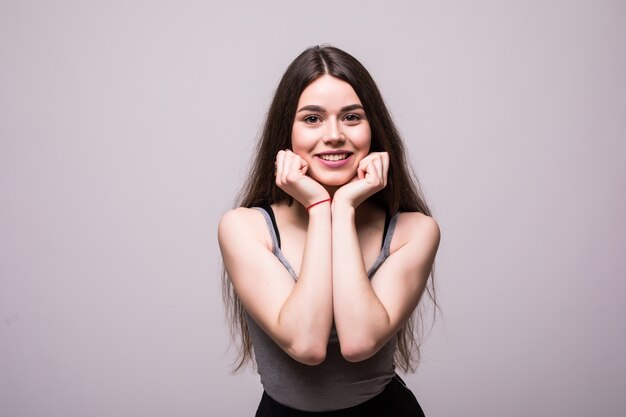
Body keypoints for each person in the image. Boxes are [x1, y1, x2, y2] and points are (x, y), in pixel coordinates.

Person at [218, 45, 440, 416]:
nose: (334, 135)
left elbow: (359, 341)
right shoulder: (244, 228)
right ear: (285, 131)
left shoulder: (414, 231)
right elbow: (306, 344)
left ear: (374, 129)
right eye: (312, 119)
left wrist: (344, 206)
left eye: (352, 117)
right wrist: (322, 208)